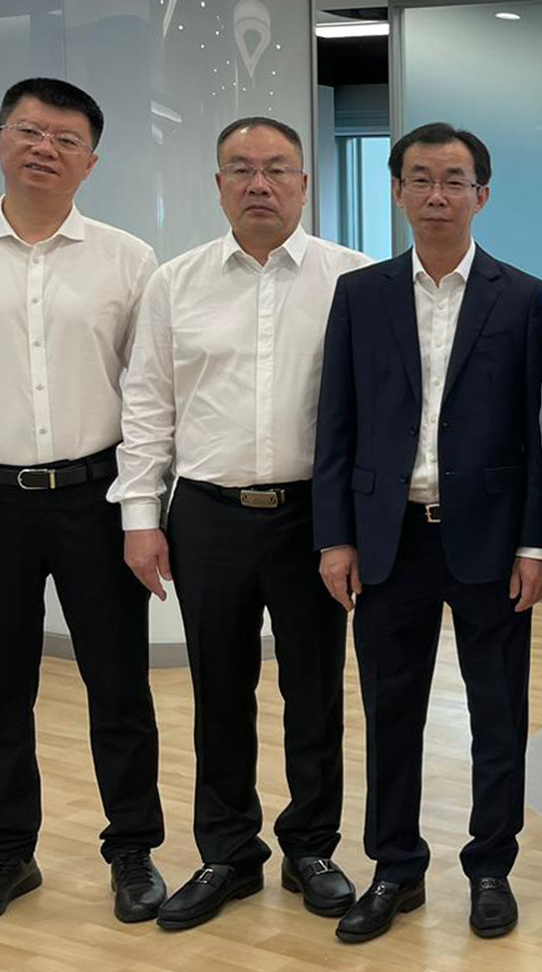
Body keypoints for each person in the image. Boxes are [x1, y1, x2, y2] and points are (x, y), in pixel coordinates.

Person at [0, 78, 165, 929]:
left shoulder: (128, 259)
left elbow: (151, 396)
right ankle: (7, 856)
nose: (45, 148)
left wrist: (141, 511)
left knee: (119, 688)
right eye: (29, 131)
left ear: (91, 161)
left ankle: (133, 853)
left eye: (66, 139)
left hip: (95, 496)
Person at [110, 117, 369, 930]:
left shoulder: (353, 280)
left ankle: (312, 847)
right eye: (241, 169)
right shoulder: (174, 283)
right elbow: (148, 405)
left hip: (312, 521)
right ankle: (228, 852)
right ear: (217, 184)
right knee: (219, 689)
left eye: (277, 169)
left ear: (304, 183)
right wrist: (140, 515)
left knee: (314, 688)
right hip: (208, 516)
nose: (260, 184)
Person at [312, 122, 542, 944]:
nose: (438, 195)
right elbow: (335, 426)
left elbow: (538, 433)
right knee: (390, 709)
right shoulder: (361, 294)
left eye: (455, 180)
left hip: (489, 541)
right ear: (398, 191)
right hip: (388, 540)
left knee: (498, 711)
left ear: (482, 194)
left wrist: (535, 543)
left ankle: (491, 866)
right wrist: (335, 537)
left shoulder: (523, 297)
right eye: (421, 179)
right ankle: (395, 868)